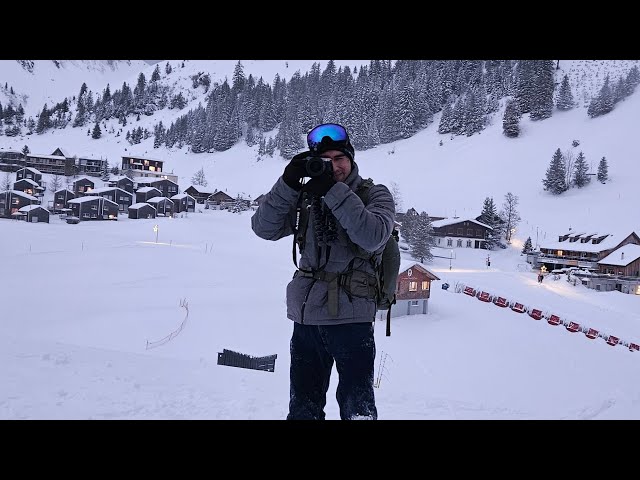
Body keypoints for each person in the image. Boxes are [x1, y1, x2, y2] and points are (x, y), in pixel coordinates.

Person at [251, 123, 395, 420]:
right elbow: (263, 228)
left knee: (358, 408)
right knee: (304, 406)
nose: (334, 166)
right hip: (307, 318)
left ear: (352, 160)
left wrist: (333, 191)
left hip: (352, 318)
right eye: (326, 160)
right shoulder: (307, 197)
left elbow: (373, 235)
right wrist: (288, 183)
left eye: (340, 159)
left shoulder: (374, 194)